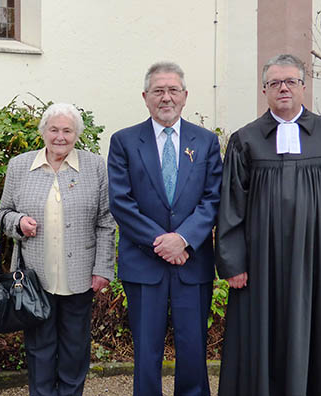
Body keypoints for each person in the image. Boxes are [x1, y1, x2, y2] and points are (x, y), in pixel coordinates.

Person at [216, 54, 321, 395]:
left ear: (302, 86)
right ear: (264, 89)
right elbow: (231, 207)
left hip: (318, 260)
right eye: (274, 83)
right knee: (260, 338)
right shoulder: (245, 141)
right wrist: (233, 262)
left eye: (290, 82)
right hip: (260, 265)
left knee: (318, 338)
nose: (283, 88)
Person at [108, 62, 223, 396]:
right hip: (144, 264)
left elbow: (213, 198)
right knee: (146, 352)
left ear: (185, 96)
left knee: (192, 349)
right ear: (145, 97)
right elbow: (121, 202)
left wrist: (184, 240)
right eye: (158, 90)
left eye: (173, 90)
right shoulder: (124, 141)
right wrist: (162, 243)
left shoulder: (206, 142)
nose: (166, 97)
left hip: (192, 261)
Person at [0, 103, 116, 396]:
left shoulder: (95, 166)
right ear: (43, 132)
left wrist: (103, 268)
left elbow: (106, 221)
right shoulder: (20, 165)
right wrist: (19, 222)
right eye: (54, 129)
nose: (60, 136)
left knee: (75, 348)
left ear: (76, 134)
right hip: (35, 278)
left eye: (67, 130)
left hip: (80, 276)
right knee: (39, 347)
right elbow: (3, 214)